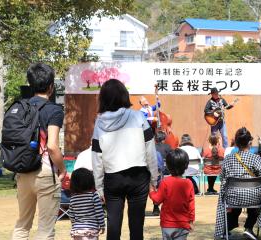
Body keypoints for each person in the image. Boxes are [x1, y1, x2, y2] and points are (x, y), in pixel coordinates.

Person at [91, 79, 159, 240]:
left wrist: (99, 187)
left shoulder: (99, 123)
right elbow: (150, 150)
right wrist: (154, 179)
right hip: (139, 176)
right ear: (124, 96)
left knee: (113, 227)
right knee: (137, 227)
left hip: (112, 178)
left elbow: (97, 157)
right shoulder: (138, 117)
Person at [12, 63, 66, 239]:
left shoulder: (19, 107)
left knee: (22, 225)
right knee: (45, 229)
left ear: (30, 84)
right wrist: (63, 169)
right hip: (45, 173)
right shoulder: (54, 110)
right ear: (51, 86)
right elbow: (52, 146)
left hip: (22, 171)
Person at [215, 127, 261, 240]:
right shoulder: (256, 159)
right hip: (254, 198)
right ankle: (249, 228)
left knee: (232, 197)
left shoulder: (228, 159)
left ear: (235, 142)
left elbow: (222, 178)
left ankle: (226, 229)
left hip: (232, 198)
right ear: (250, 142)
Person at [149, 149, 195, 240]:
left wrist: (151, 191)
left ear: (168, 166)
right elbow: (191, 205)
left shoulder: (165, 182)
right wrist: (191, 221)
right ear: (186, 166)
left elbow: (157, 200)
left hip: (167, 224)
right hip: (183, 224)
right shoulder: (189, 183)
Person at [69, 168, 105, 240]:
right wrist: (102, 225)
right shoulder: (93, 196)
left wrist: (75, 225)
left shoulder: (73, 198)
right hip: (91, 230)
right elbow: (99, 212)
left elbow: (71, 214)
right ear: (91, 181)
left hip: (77, 231)